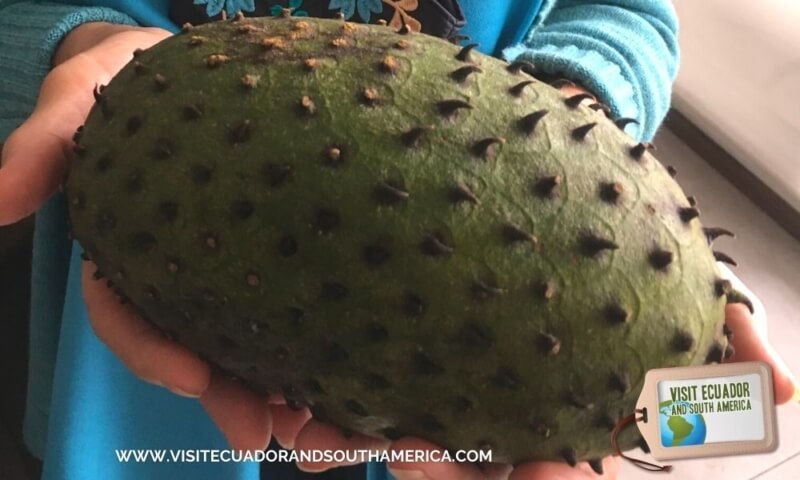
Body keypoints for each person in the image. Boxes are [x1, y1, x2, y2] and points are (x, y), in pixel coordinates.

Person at [0, 1, 797, 479]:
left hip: (448, 361)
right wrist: (72, 42)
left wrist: (574, 115)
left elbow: (625, 12)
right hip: (132, 381)